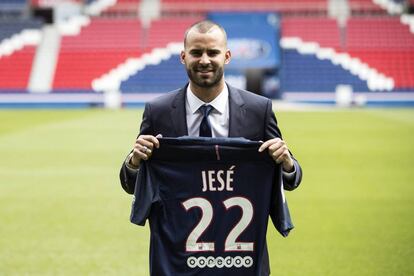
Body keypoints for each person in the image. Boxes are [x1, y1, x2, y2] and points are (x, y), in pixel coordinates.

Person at [119, 20, 303, 275]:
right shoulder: (158, 111)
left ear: (226, 56)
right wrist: (133, 162)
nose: (204, 60)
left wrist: (287, 164)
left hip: (240, 263)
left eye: (212, 52)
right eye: (196, 52)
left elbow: (291, 179)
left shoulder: (258, 110)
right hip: (178, 262)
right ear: (183, 57)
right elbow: (134, 185)